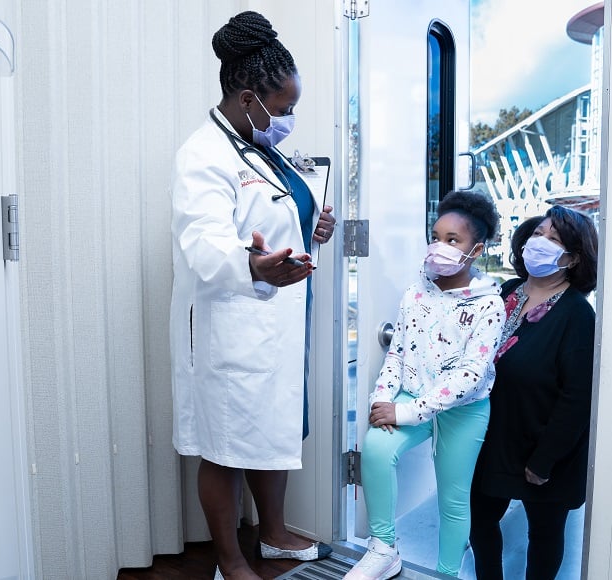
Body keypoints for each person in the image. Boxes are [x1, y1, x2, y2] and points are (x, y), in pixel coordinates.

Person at [168, 11, 337, 580]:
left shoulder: (258, 145)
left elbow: (275, 212)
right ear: (248, 99)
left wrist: (311, 225)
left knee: (271, 426)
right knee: (225, 442)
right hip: (230, 323)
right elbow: (205, 243)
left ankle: (274, 533)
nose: (288, 118)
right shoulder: (203, 155)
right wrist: (255, 267)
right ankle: (230, 560)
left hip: (279, 317)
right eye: (283, 109)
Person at [344, 191, 506, 580]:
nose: (440, 247)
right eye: (436, 236)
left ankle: (447, 572)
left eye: (453, 240)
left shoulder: (489, 304)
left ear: (476, 249)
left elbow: (469, 377)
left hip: (464, 409)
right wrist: (383, 398)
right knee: (377, 449)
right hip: (409, 394)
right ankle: (383, 549)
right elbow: (397, 351)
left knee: (452, 497)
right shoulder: (417, 290)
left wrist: (406, 411)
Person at [469, 206, 599, 580]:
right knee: (480, 524)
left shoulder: (577, 315)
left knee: (544, 537)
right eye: (538, 233)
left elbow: (577, 397)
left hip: (545, 449)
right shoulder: (504, 292)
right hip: (492, 439)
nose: (539, 243)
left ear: (573, 258)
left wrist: (544, 461)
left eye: (554, 239)